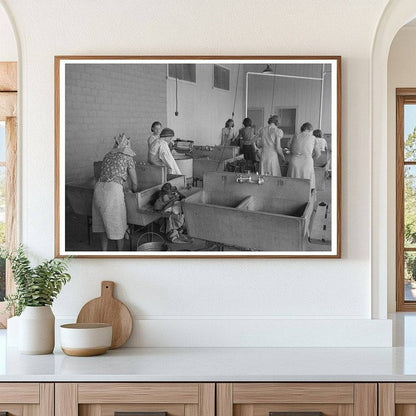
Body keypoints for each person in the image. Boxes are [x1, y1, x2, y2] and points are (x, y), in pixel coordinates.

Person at [92, 133, 138, 251]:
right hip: (113, 191)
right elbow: (135, 182)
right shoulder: (128, 157)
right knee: (118, 223)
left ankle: (104, 252)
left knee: (101, 222)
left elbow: (104, 174)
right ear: (127, 145)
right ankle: (119, 253)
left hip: (98, 188)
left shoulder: (108, 155)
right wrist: (135, 192)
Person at [287, 122, 321, 189]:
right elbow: (318, 154)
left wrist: (294, 153)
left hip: (294, 161)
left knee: (293, 182)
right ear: (309, 129)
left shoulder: (295, 136)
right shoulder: (313, 138)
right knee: (306, 183)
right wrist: (311, 158)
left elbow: (288, 146)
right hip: (307, 162)